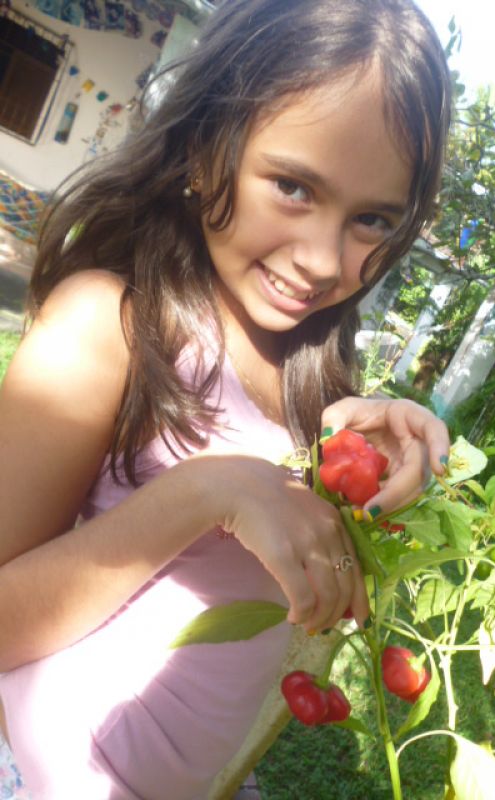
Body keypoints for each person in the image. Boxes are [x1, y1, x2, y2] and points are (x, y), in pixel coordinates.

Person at [0, 0, 452, 797]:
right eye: (292, 186)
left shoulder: (313, 389)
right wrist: (209, 491)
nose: (320, 260)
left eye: (371, 218)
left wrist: (363, 468)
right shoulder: (110, 325)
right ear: (207, 152)